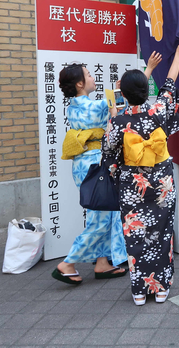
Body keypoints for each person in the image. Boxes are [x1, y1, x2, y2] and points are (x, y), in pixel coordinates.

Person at [102, 39, 179, 306]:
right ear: (146, 90)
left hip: (132, 187)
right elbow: (170, 86)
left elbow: (107, 152)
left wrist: (113, 118)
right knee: (162, 233)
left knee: (135, 235)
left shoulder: (118, 121)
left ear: (124, 95)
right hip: (161, 183)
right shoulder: (158, 111)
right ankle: (160, 289)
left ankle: (139, 291)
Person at [53, 64, 128, 285]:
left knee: (100, 214)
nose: (92, 77)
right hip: (94, 165)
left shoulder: (74, 106)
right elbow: (118, 110)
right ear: (79, 84)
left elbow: (112, 106)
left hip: (84, 164)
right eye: (88, 75)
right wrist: (120, 95)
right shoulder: (92, 107)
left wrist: (116, 96)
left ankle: (102, 262)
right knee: (102, 218)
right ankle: (68, 263)